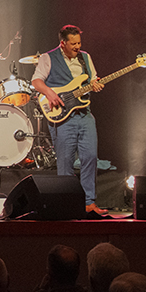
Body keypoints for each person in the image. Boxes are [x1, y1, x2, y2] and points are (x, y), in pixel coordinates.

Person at [30, 24, 106, 216]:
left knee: (90, 157)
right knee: (65, 162)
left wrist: (95, 85)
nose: (77, 47)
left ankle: (89, 202)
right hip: (62, 118)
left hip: (84, 114)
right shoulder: (48, 57)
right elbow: (36, 81)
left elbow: (92, 80)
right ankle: (67, 204)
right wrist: (49, 93)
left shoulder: (85, 57)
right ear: (62, 43)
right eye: (73, 43)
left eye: (79, 42)